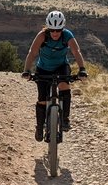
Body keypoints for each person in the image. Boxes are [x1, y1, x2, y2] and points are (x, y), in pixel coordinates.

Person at [21, 10, 88, 142]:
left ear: (62, 28)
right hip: (43, 69)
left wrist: (82, 70)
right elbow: (33, 52)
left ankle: (65, 119)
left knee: (64, 86)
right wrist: (27, 70)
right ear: (48, 28)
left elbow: (76, 51)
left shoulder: (67, 35)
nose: (55, 33)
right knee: (42, 100)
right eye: (52, 30)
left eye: (58, 30)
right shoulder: (42, 36)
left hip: (61, 66)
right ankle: (40, 127)